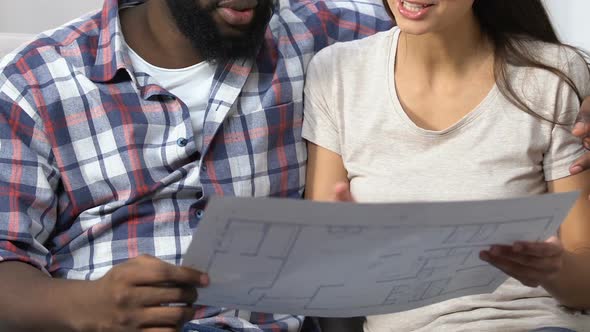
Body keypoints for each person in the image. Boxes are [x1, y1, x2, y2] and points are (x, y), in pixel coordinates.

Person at [0, 0, 588, 332]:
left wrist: (581, 88)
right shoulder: (34, 84)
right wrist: (83, 307)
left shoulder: (317, 39)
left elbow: (468, 37)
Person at [302, 0, 590, 331]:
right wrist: (353, 248)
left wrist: (553, 269)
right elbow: (322, 272)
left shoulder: (551, 74)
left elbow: (585, 288)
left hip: (534, 322)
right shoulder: (336, 74)